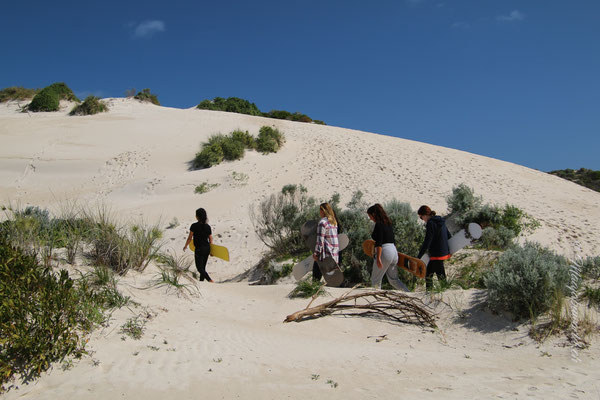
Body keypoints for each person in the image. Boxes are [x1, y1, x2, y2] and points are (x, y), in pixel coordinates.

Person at [367, 204, 409, 291]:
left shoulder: (379, 225)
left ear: (374, 214)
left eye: (370, 216)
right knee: (394, 280)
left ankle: (376, 301)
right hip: (393, 251)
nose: (370, 218)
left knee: (376, 280)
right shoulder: (388, 223)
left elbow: (379, 242)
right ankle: (408, 293)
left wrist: (378, 258)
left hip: (385, 251)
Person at [417, 205, 452, 291]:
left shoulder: (430, 223)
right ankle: (431, 293)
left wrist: (420, 255)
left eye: (421, 218)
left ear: (425, 215)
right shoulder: (441, 221)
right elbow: (449, 235)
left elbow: (427, 241)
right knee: (430, 273)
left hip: (436, 253)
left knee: (437, 275)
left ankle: (434, 293)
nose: (423, 220)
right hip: (444, 252)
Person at [312, 206, 342, 282]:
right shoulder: (334, 222)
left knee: (316, 273)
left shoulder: (322, 222)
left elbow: (320, 240)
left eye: (320, 210)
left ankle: (314, 289)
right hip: (334, 253)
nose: (319, 212)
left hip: (325, 254)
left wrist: (316, 253)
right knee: (333, 277)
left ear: (323, 211)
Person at [183, 208, 214, 282]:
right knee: (203, 268)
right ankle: (201, 282)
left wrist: (185, 246)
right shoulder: (208, 227)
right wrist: (211, 250)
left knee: (199, 268)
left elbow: (190, 238)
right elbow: (210, 239)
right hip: (207, 248)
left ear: (197, 216)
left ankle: (210, 280)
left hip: (199, 249)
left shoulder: (194, 226)